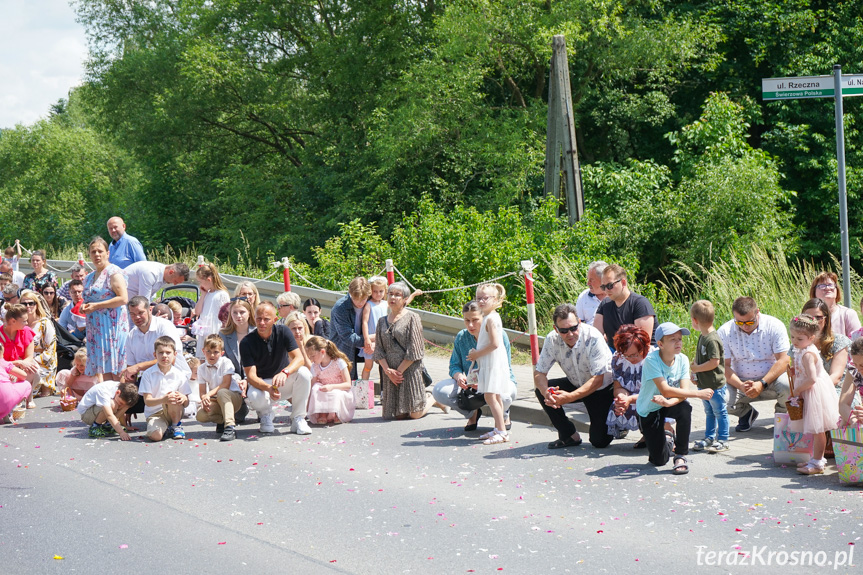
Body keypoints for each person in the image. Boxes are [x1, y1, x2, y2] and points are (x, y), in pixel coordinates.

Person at [636, 322, 714, 474]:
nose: (678, 342)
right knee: (658, 461)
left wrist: (668, 403)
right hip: (649, 409)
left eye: (679, 339)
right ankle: (667, 436)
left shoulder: (683, 359)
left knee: (685, 408)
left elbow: (683, 391)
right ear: (660, 344)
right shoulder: (651, 360)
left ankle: (681, 455)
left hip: (667, 403)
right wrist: (698, 394)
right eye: (672, 339)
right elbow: (665, 389)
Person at [535, 303, 614, 449]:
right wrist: (547, 393)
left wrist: (570, 397)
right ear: (556, 329)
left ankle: (615, 421)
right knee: (543, 391)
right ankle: (569, 435)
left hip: (601, 388)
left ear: (579, 322)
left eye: (573, 328)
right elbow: (539, 372)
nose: (570, 334)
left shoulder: (593, 336)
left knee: (599, 441)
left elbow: (598, 379)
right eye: (564, 330)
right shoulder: (552, 339)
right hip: (576, 382)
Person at [431, 300, 517, 432]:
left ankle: (502, 416)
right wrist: (459, 377)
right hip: (471, 385)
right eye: (466, 320)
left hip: (496, 381)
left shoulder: (498, 335)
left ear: (484, 318)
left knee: (505, 395)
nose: (470, 325)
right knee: (439, 391)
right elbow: (454, 365)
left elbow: (505, 368)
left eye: (475, 320)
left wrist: (482, 381)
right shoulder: (462, 336)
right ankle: (472, 414)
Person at [717, 296, 790, 432]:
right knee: (719, 398)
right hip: (741, 382)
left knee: (788, 385)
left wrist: (762, 383)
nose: (745, 326)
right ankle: (745, 413)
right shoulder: (724, 331)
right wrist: (740, 385)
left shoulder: (774, 325)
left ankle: (781, 418)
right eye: (739, 323)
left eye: (750, 322)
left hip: (771, 380)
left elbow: (784, 360)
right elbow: (723, 366)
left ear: (758, 312)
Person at [241, 302, 313, 435]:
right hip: (263, 385)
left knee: (304, 373)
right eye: (259, 319)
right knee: (254, 395)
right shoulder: (246, 342)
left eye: (266, 319)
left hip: (283, 381)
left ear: (274, 320)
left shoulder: (283, 331)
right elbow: (251, 376)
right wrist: (268, 388)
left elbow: (299, 358)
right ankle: (266, 415)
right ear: (254, 318)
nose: (262, 322)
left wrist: (285, 372)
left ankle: (298, 418)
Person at [121, 296, 189, 429]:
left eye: (140, 313)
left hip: (172, 376)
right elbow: (130, 371)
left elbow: (172, 359)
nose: (137, 317)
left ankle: (175, 421)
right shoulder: (131, 335)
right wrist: (125, 405)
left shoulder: (165, 327)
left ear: (150, 310)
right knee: (118, 394)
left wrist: (138, 366)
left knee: (172, 397)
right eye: (133, 314)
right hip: (149, 380)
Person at [787, 315, 841, 475]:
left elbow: (811, 378)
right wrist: (795, 371)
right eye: (792, 337)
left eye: (799, 338)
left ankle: (818, 462)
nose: (794, 341)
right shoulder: (803, 349)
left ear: (811, 338)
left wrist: (796, 391)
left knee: (818, 429)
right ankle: (815, 458)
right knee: (814, 429)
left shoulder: (807, 354)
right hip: (810, 389)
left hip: (814, 391)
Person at [374, 281, 435, 420]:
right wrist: (388, 371)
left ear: (405, 299)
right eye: (390, 294)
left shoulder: (412, 318)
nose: (393, 298)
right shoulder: (381, 321)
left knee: (415, 414)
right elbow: (378, 349)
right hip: (390, 372)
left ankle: (432, 399)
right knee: (399, 416)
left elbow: (415, 349)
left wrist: (398, 372)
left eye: (397, 295)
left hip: (408, 369)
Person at [466, 283, 510, 445]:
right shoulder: (489, 317)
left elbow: (495, 344)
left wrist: (477, 354)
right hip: (490, 362)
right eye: (479, 298)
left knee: (490, 396)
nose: (482, 301)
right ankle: (498, 428)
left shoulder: (491, 318)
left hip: (493, 362)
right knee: (494, 396)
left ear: (496, 299)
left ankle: (502, 432)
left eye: (486, 298)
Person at [82, 236, 129, 381]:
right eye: (93, 252)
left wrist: (97, 306)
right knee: (104, 367)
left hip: (112, 327)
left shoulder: (113, 272)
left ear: (107, 253)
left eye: (100, 251)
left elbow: (123, 298)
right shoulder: (89, 277)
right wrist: (84, 307)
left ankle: (121, 400)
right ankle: (109, 399)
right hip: (96, 329)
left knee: (117, 368)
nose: (97, 255)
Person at [689, 300, 730, 453]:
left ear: (695, 320)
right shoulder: (703, 336)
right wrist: (695, 373)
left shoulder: (712, 339)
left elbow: (714, 362)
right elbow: (700, 359)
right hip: (704, 384)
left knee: (720, 412)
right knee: (709, 412)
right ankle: (709, 437)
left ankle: (723, 439)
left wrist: (697, 368)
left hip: (715, 385)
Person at [139, 336, 193, 441]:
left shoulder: (179, 374)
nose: (164, 356)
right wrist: (164, 399)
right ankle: (165, 428)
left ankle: (176, 425)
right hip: (155, 413)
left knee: (174, 396)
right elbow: (148, 401)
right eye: (161, 353)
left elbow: (186, 403)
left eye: (168, 353)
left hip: (174, 411)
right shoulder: (148, 374)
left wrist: (183, 398)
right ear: (155, 355)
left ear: (175, 355)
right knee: (156, 436)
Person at [606, 325, 651, 448]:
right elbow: (618, 386)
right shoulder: (617, 359)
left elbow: (654, 393)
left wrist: (629, 399)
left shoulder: (653, 358)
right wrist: (621, 397)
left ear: (645, 347)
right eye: (627, 355)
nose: (632, 359)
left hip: (652, 398)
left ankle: (653, 434)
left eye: (636, 354)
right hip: (630, 398)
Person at [594, 264, 656, 350]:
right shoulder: (605, 304)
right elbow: (596, 336)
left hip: (640, 354)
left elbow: (642, 343)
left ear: (623, 282)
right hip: (614, 352)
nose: (606, 290)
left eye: (610, 285)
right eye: (603, 287)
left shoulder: (640, 303)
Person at [196, 334, 244, 442]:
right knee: (201, 415)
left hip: (233, 398)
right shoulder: (201, 369)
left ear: (222, 353)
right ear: (203, 351)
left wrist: (208, 394)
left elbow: (226, 384)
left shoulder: (226, 362)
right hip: (217, 399)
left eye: (216, 352)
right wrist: (205, 399)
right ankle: (222, 421)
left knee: (223, 392)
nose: (212, 355)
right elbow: (202, 392)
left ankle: (230, 427)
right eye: (208, 351)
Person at [305, 335, 355, 424]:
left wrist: (332, 387)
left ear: (322, 352)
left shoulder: (339, 362)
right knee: (316, 388)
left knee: (335, 393)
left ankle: (337, 413)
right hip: (325, 390)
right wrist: (306, 405)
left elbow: (348, 384)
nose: (311, 360)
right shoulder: (315, 366)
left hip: (340, 389)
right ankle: (322, 413)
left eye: (313, 356)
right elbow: (311, 385)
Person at [0, 304, 39, 410]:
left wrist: (18, 368)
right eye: (24, 321)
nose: (27, 323)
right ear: (13, 321)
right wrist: (16, 366)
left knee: (32, 366)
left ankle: (28, 398)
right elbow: (1, 362)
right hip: (4, 369)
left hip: (18, 368)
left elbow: (29, 357)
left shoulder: (26, 331)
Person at [331, 277, 372, 379]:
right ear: (350, 294)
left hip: (363, 345)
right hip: (343, 349)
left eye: (363, 299)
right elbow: (348, 337)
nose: (360, 303)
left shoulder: (372, 302)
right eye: (355, 299)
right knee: (348, 381)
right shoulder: (340, 307)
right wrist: (372, 340)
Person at [20, 290, 57, 398]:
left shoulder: (45, 323)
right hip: (24, 360)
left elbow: (51, 349)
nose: (28, 306)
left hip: (43, 361)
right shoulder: (19, 324)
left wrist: (32, 361)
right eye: (24, 304)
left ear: (36, 305)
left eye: (31, 303)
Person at [193, 263, 230, 360]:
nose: (200, 285)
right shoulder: (207, 294)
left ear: (208, 280)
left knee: (213, 358)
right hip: (204, 332)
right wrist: (203, 295)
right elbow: (197, 312)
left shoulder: (222, 294)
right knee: (202, 358)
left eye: (200, 282)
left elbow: (226, 316)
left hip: (215, 330)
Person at [810, 272, 861, 338]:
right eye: (822, 286)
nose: (827, 288)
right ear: (814, 291)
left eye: (830, 285)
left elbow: (858, 342)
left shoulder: (848, 314)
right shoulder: (808, 315)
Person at [360, 276, 388, 381]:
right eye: (375, 291)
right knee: (368, 366)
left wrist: (413, 295)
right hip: (371, 338)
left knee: (384, 366)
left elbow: (402, 305)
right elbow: (364, 322)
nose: (378, 294)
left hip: (383, 339)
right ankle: (363, 389)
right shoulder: (369, 304)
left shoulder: (386, 304)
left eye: (381, 291)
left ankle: (383, 390)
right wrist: (366, 338)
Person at [0, 339, 32, 424]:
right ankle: (8, 411)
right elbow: (23, 375)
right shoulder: (3, 363)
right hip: (5, 401)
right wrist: (13, 383)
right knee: (26, 384)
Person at [123, 261, 190, 301]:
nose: (175, 284)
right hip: (120, 300)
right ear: (171, 272)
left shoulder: (164, 276)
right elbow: (142, 301)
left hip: (130, 300)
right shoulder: (151, 273)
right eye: (175, 281)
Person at [838, 338, 863, 427]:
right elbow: (843, 404)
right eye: (856, 364)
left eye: (862, 365)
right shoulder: (853, 369)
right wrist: (854, 421)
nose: (859, 369)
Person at [575, 260, 608, 325]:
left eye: (591, 280)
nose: (588, 283)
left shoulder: (616, 296)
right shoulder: (584, 296)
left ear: (603, 280)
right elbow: (577, 324)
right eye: (588, 279)